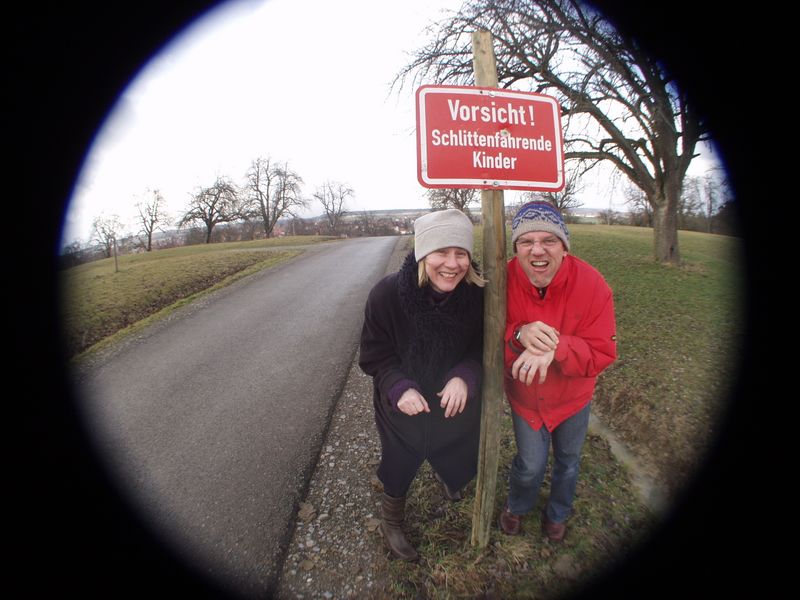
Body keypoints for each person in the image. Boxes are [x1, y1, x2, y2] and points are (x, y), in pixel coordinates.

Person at [359, 208, 485, 561]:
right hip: (401, 392)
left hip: (452, 393)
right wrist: (399, 387)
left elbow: (482, 347)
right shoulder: (386, 295)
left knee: (457, 441)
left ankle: (449, 476)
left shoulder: (477, 295)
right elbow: (375, 354)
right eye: (441, 252)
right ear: (421, 254)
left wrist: (466, 375)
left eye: (461, 253)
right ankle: (392, 518)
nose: (452, 264)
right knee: (400, 453)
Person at [498, 201, 617, 542]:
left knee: (568, 460)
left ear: (564, 246)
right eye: (526, 241)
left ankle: (558, 513)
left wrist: (558, 348)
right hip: (527, 399)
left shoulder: (592, 284)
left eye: (548, 240)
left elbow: (602, 352)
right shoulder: (501, 280)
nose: (537, 250)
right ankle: (518, 506)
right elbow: (485, 339)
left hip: (572, 399)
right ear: (517, 249)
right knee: (530, 464)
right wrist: (518, 334)